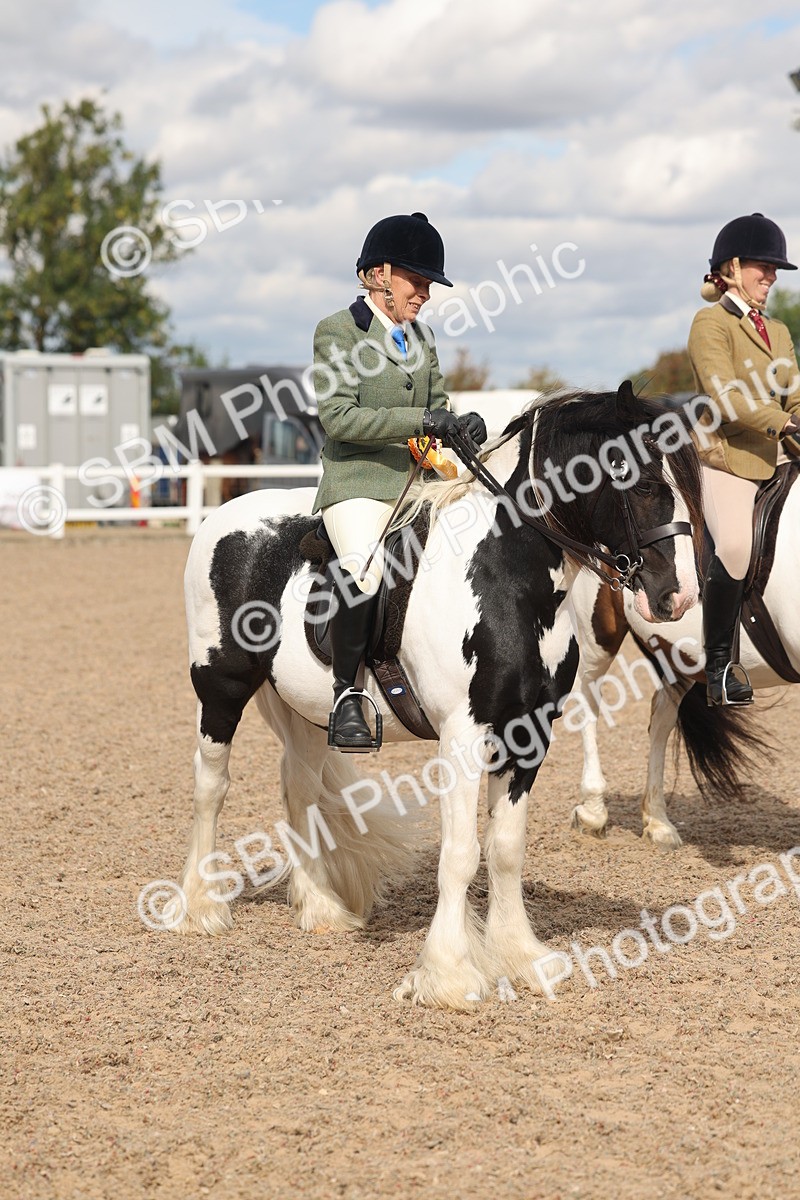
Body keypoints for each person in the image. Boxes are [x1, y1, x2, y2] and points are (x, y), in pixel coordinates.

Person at [311, 212, 488, 750]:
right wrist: (422, 422)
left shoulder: (423, 337)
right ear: (379, 274)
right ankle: (347, 696)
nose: (426, 293)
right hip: (358, 481)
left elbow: (436, 408)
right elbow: (338, 417)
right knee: (364, 571)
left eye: (429, 283)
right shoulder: (338, 332)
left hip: (419, 483)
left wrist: (460, 427)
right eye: (418, 280)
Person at [688, 212, 800, 705]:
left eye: (775, 270)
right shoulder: (709, 323)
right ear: (731, 268)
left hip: (781, 455)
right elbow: (725, 395)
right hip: (728, 458)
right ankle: (720, 667)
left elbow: (793, 393)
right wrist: (782, 423)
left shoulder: (776, 330)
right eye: (764, 266)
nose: (771, 277)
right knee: (733, 546)